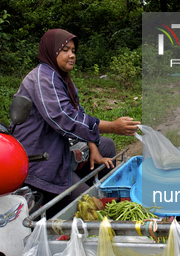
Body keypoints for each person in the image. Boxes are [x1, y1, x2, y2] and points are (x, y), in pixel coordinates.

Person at [11, 28, 140, 215]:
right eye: (65, 50)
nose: (71, 55)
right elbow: (66, 119)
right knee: (92, 207)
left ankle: (96, 188)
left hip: (60, 148)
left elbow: (78, 112)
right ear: (51, 51)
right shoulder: (43, 78)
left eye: (73, 50)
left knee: (105, 146)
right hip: (40, 159)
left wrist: (93, 147)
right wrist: (112, 126)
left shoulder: (61, 79)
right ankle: (79, 194)